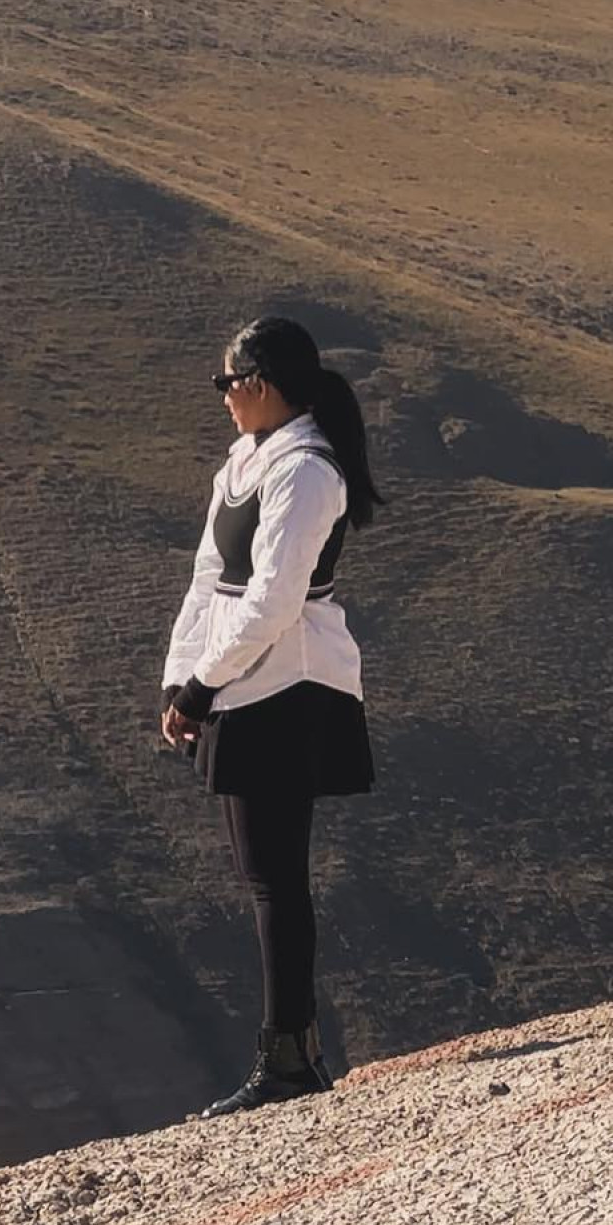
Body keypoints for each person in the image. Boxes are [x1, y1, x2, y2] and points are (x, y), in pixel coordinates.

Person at [160, 315, 386, 1116]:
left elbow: (275, 600)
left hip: (288, 686)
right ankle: (290, 1052)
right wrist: (180, 679)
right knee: (264, 877)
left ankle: (289, 1057)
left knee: (276, 881)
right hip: (237, 682)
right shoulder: (245, 462)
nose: (223, 397)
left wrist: (201, 686)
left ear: (259, 383)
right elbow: (208, 579)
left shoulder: (306, 471)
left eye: (227, 383)